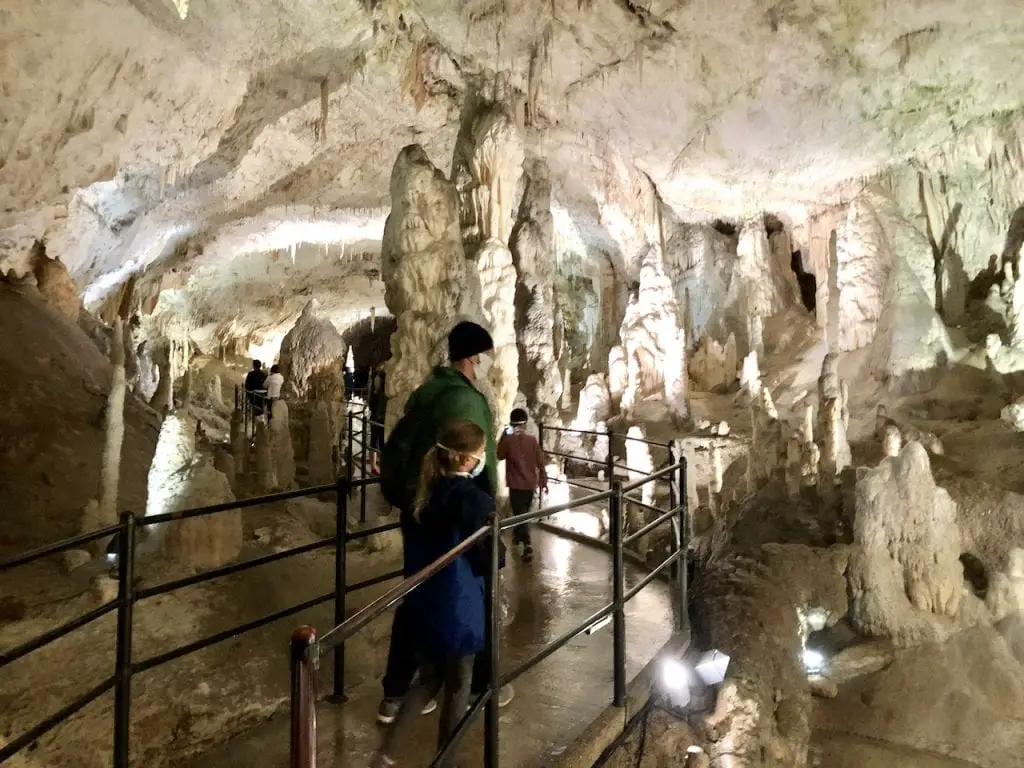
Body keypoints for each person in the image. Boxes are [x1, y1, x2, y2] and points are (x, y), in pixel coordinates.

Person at [377, 320, 513, 724]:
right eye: (483, 356)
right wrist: (490, 510)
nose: (485, 364)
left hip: (420, 505)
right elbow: (481, 463)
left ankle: (396, 691)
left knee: (419, 591)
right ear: (472, 357)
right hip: (460, 510)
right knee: (477, 590)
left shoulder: (427, 392)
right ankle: (480, 681)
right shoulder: (464, 401)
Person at [372, 420, 495, 768]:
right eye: (482, 451)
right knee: (459, 683)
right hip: (458, 606)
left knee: (428, 678)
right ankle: (446, 759)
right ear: (467, 460)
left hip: (422, 603)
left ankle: (386, 751)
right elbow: (489, 557)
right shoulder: (474, 501)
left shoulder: (421, 493)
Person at [497, 407, 548, 562]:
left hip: (515, 484)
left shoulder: (509, 441)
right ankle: (518, 536)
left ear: (512, 424)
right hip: (530, 484)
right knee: (523, 513)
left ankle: (527, 545)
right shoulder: (532, 440)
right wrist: (543, 481)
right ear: (525, 424)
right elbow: (540, 461)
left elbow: (499, 455)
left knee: (520, 514)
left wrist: (503, 437)